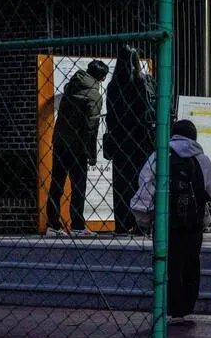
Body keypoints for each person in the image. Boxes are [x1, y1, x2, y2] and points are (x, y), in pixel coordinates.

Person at [129, 120, 211, 325]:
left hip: (165, 222)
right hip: (193, 224)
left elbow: (145, 185)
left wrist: (144, 219)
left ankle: (166, 304)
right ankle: (186, 305)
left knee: (167, 262)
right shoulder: (201, 158)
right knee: (191, 262)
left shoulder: (160, 155)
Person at [46, 59, 108, 236]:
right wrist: (91, 153)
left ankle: (53, 225)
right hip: (77, 146)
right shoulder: (94, 96)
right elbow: (90, 127)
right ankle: (77, 226)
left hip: (60, 141)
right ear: (102, 78)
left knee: (56, 183)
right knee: (78, 186)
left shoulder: (71, 86)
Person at [104, 46, 156, 235]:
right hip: (140, 140)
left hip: (120, 141)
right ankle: (140, 223)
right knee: (141, 182)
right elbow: (147, 111)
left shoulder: (113, 85)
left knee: (120, 183)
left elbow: (110, 115)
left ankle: (121, 223)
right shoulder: (141, 83)